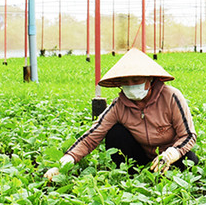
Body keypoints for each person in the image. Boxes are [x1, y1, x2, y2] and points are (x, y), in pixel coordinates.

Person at [45, 47, 198, 180]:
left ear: (150, 79)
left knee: (190, 160)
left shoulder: (171, 97)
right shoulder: (119, 106)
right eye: (126, 82)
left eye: (136, 80)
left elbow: (188, 135)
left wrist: (171, 154)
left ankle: (166, 169)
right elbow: (91, 137)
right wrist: (65, 162)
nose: (131, 86)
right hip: (139, 157)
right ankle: (131, 176)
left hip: (168, 156)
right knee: (115, 133)